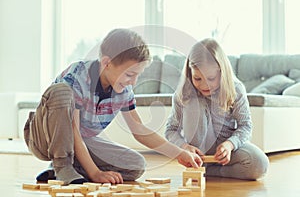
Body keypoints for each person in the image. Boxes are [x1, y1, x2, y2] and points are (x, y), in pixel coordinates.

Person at [24, 28, 201, 185]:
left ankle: (60, 170)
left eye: (137, 75)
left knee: (136, 165)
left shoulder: (124, 91)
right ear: (106, 63)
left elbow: (139, 129)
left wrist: (179, 154)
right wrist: (95, 173)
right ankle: (62, 165)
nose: (133, 82)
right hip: (44, 137)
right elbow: (73, 130)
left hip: (80, 142)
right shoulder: (78, 74)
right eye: (130, 74)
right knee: (62, 91)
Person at [165, 38, 269, 180]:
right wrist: (184, 147)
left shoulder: (236, 89)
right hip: (199, 150)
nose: (204, 86)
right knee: (193, 102)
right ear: (190, 73)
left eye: (211, 78)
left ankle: (209, 171)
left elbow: (245, 125)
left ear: (222, 71)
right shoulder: (183, 94)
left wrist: (230, 145)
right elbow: (171, 129)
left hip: (226, 148)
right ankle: (201, 165)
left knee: (259, 164)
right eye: (198, 78)